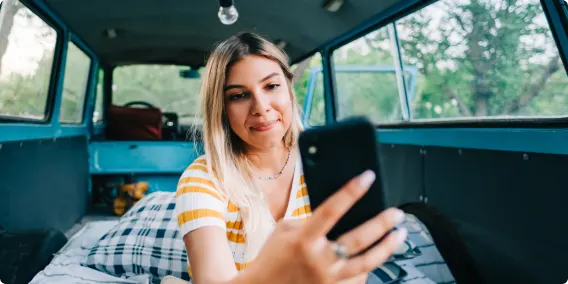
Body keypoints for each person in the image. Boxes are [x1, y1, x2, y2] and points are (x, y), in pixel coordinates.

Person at [168, 32, 408, 284]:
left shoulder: (326, 166)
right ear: (221, 109)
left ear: (289, 89)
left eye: (271, 86)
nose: (261, 107)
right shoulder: (203, 178)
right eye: (238, 95)